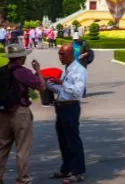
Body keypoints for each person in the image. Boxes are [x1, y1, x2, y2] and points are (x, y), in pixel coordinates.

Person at [0, 43, 45, 184]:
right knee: (23, 148)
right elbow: (41, 87)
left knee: (2, 147)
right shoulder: (22, 72)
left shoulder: (2, 71)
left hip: (2, 112)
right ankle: (22, 179)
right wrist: (38, 71)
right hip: (20, 111)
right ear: (20, 58)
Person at [47, 44, 87, 183]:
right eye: (59, 54)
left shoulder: (79, 70)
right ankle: (66, 168)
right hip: (61, 107)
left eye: (62, 54)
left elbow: (78, 91)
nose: (60, 57)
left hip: (71, 107)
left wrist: (62, 82)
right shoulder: (68, 69)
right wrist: (50, 84)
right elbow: (63, 90)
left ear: (71, 54)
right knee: (63, 140)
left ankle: (78, 172)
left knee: (73, 140)